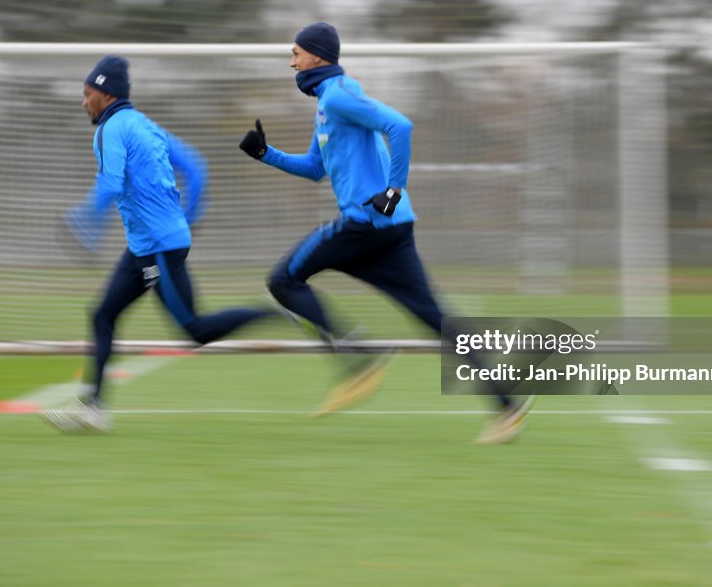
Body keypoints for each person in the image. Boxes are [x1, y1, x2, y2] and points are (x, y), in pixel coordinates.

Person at [239, 23, 534, 443]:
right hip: (390, 230)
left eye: (296, 53)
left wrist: (393, 190)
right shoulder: (329, 101)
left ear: (318, 57)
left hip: (366, 226)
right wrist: (265, 154)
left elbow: (401, 126)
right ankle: (507, 406)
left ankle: (359, 356)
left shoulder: (339, 97)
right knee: (434, 315)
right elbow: (315, 169)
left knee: (282, 280)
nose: (291, 62)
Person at [45, 55, 272, 433]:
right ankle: (93, 409)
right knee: (102, 314)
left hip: (159, 249)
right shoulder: (146, 125)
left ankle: (273, 310)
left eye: (87, 94)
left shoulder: (111, 128)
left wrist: (85, 219)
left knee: (195, 329)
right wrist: (191, 217)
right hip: (145, 246)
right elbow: (198, 167)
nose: (83, 102)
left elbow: (111, 183)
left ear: (105, 94)